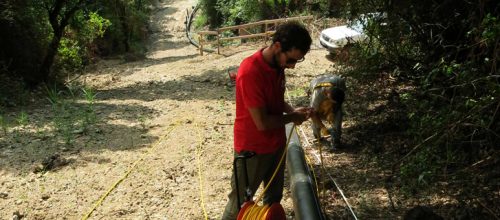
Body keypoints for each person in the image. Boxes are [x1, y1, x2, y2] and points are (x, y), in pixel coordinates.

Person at [221, 21, 313, 219]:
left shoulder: (278, 66)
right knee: (239, 205)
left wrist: (292, 110)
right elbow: (261, 122)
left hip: (276, 145)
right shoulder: (250, 71)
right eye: (290, 60)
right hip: (252, 151)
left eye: (297, 61)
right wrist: (292, 117)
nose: (292, 66)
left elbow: (276, 102)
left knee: (272, 202)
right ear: (278, 46)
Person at [309, 74, 346, 150]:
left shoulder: (340, 82)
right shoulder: (317, 95)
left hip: (332, 86)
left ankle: (336, 141)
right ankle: (318, 137)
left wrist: (332, 111)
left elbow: (339, 102)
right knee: (316, 123)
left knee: (338, 117)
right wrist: (323, 127)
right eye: (332, 101)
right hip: (318, 96)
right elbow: (312, 114)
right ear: (327, 94)